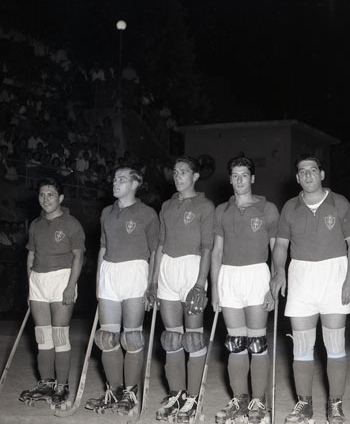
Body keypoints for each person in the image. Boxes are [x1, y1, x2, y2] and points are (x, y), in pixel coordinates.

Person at [270, 154, 350, 424]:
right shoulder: (290, 207)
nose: (308, 174)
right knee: (301, 345)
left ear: (321, 174)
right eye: (302, 171)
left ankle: (335, 404)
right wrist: (279, 271)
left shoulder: (340, 202)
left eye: (312, 170)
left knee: (335, 344)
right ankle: (304, 405)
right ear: (297, 178)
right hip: (301, 276)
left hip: (335, 275)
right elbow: (281, 245)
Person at [84, 168, 159, 414]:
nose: (115, 183)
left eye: (122, 179)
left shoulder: (147, 213)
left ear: (135, 184)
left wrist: (152, 283)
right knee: (107, 337)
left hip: (135, 271)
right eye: (115, 179)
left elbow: (155, 251)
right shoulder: (106, 212)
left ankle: (131, 392)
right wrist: (99, 282)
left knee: (132, 337)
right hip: (110, 272)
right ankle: (114, 390)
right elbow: (102, 248)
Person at [210, 156, 279, 424]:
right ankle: (239, 400)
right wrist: (215, 289)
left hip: (257, 275)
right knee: (235, 343)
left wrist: (273, 285)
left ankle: (258, 402)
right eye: (235, 175)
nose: (239, 180)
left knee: (257, 343)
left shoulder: (267, 208)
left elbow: (276, 250)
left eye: (244, 175)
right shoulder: (221, 210)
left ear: (252, 178)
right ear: (230, 179)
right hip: (229, 276)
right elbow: (216, 252)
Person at [147, 156, 215, 422]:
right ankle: (176, 394)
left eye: (184, 172)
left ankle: (194, 398)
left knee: (193, 338)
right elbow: (160, 245)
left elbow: (207, 248)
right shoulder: (166, 206)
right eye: (175, 172)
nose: (178, 177)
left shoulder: (205, 206)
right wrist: (153, 280)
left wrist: (200, 284)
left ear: (195, 176)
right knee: (171, 337)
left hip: (192, 267)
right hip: (168, 268)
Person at [19, 178, 85, 407]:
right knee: (42, 336)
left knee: (59, 335)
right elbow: (30, 256)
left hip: (61, 279)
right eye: (42, 194)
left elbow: (78, 256)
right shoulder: (35, 225)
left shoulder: (71, 223)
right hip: (38, 280)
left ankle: (62, 385)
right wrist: (31, 286)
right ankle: (46, 382)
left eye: (51, 195)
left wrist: (70, 286)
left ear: (61, 198)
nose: (45, 199)